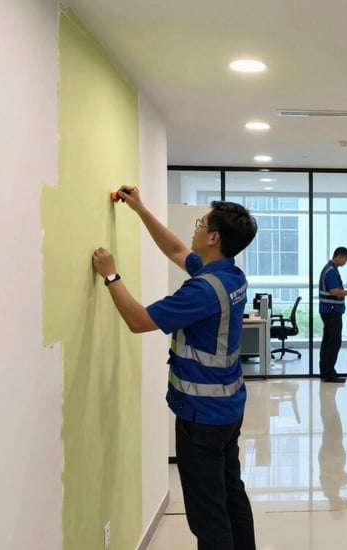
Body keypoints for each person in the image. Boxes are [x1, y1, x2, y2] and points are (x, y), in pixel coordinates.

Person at [91, 186, 258, 550]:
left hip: (202, 418)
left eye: (200, 224)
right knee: (231, 497)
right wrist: (140, 209)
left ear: (214, 237)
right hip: (228, 410)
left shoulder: (201, 292)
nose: (195, 229)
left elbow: (138, 321)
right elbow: (176, 250)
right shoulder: (231, 276)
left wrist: (111, 276)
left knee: (208, 515)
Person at [318, 247, 347, 383]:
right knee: (333, 342)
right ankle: (329, 373)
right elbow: (335, 291)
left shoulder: (330, 269)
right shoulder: (330, 271)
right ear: (339, 256)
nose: (346, 262)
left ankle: (325, 371)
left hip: (330, 311)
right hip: (332, 311)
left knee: (328, 341)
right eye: (345, 258)